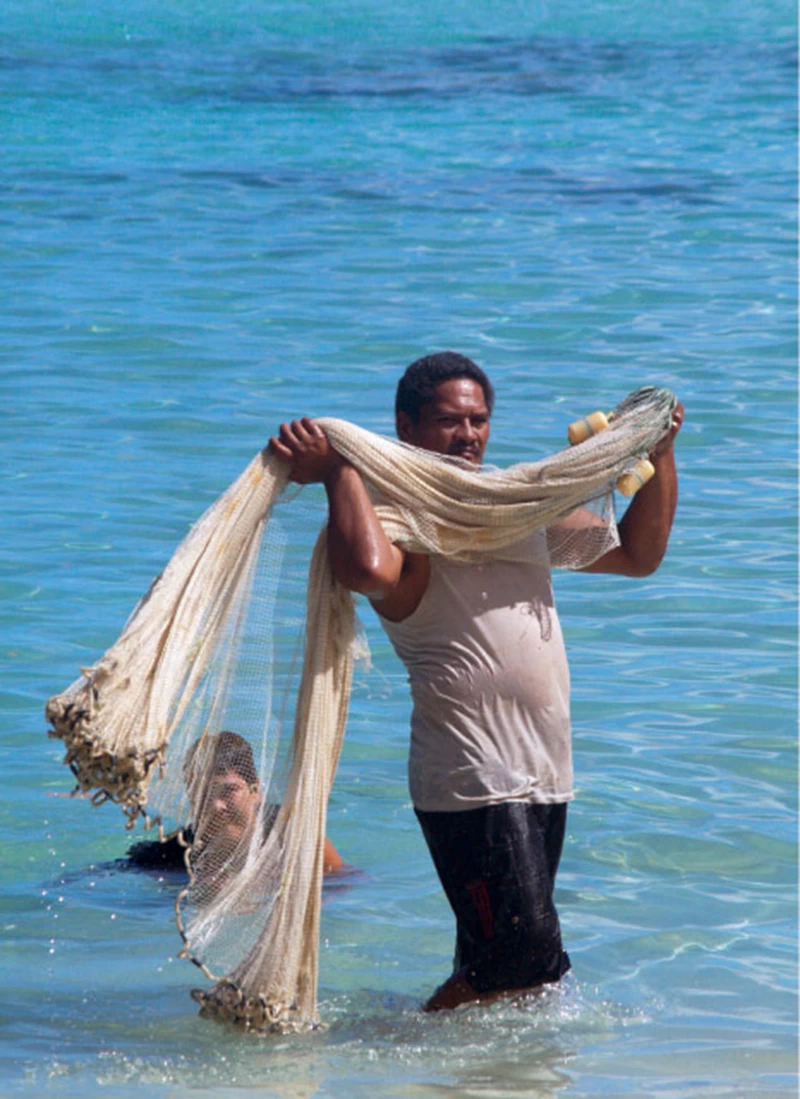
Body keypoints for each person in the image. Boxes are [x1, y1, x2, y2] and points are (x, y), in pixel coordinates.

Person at [269, 351, 683, 1011]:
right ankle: (392, 1055)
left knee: (499, 970)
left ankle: (464, 1079)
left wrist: (659, 454)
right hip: (471, 778)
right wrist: (343, 470)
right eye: (449, 420)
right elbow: (367, 571)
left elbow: (638, 555)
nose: (468, 434)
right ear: (405, 425)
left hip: (545, 772)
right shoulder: (399, 515)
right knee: (523, 962)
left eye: (479, 419)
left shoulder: (514, 509)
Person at [127, 730, 345, 876]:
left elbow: (341, 881)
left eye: (229, 790)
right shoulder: (176, 854)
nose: (215, 806)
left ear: (255, 790)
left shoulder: (287, 831)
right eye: (202, 793)